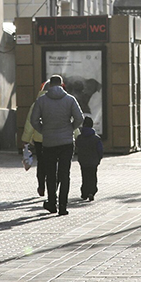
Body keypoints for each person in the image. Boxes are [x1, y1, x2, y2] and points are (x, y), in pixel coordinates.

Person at [30, 74, 85, 215]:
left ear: (49, 85)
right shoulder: (70, 99)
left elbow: (34, 120)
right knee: (64, 174)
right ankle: (62, 206)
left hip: (49, 142)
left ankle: (52, 203)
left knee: (51, 174)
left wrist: (44, 130)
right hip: (66, 142)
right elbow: (79, 118)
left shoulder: (41, 101)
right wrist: (70, 128)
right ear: (61, 84)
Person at [22, 81, 50, 197]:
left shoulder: (36, 103)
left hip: (39, 139)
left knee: (41, 164)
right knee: (54, 164)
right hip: (55, 139)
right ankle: (52, 188)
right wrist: (77, 136)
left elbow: (30, 122)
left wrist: (26, 139)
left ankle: (41, 186)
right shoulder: (61, 101)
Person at [75, 116, 103, 201]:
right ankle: (92, 191)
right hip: (93, 161)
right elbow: (100, 150)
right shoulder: (96, 138)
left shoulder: (80, 138)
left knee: (84, 176)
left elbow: (77, 146)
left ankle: (84, 192)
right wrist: (99, 159)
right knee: (92, 176)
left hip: (83, 161)